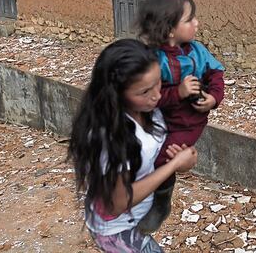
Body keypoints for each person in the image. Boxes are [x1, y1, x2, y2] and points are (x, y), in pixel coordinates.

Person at [68, 39, 198, 252]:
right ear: (116, 94)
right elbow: (119, 202)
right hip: (116, 230)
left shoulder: (150, 109)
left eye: (159, 82)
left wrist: (182, 158)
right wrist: (173, 166)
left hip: (136, 219)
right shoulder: (112, 137)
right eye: (144, 92)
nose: (156, 95)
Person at [135, 0, 225, 232]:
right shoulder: (154, 60)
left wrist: (213, 99)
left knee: (163, 158)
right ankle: (137, 195)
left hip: (188, 123)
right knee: (139, 152)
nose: (197, 22)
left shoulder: (198, 51)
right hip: (158, 117)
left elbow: (216, 74)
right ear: (170, 30)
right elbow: (149, 99)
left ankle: (160, 205)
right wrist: (178, 93)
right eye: (190, 19)